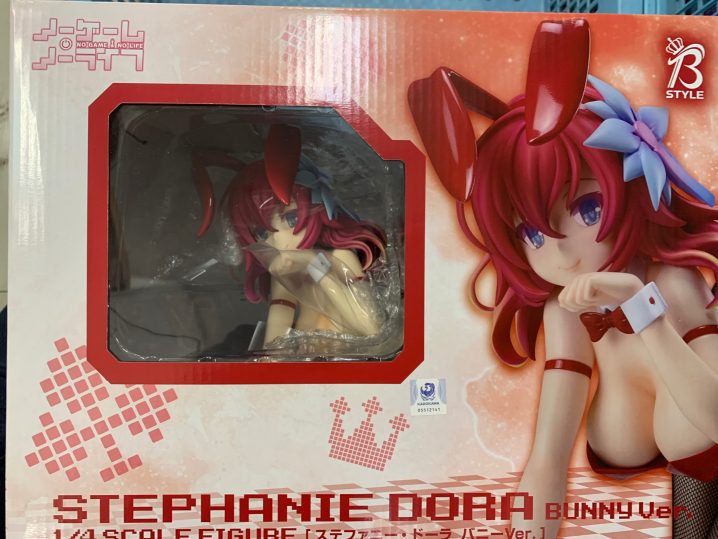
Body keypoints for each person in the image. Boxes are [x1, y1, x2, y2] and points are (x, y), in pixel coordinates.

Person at [409, 19, 718, 539]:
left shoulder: (671, 277)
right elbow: (548, 455)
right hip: (624, 434)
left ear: (631, 185)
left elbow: (714, 419)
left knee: (689, 432)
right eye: (530, 235)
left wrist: (641, 306)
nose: (563, 255)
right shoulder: (565, 308)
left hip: (697, 425)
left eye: (587, 208)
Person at [193, 124, 386, 349]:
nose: (279, 240)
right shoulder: (285, 273)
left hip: (349, 356)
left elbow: (371, 328)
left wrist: (316, 264)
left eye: (292, 219)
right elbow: (279, 322)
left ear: (318, 207)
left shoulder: (341, 257)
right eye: (262, 233)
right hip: (304, 358)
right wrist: (271, 358)